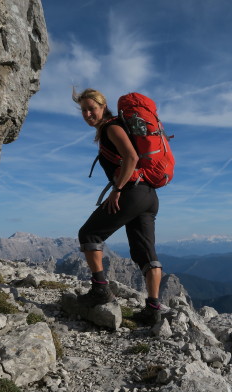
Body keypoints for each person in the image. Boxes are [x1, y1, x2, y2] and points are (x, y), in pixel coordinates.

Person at [74, 88, 163, 324]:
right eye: (83, 109)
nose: (87, 113)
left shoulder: (111, 128)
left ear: (103, 107)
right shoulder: (113, 127)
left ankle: (100, 290)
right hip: (148, 196)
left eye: (91, 108)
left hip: (132, 192)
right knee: (144, 253)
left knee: (89, 233)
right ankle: (153, 310)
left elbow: (131, 158)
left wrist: (118, 190)